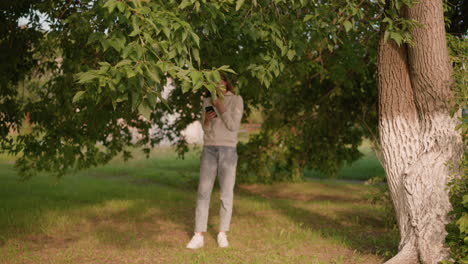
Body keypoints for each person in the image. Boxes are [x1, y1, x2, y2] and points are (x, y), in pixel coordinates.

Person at [186, 73, 244, 249]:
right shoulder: (207, 101)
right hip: (209, 149)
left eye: (218, 81)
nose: (215, 85)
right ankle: (198, 235)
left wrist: (221, 107)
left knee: (226, 193)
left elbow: (233, 126)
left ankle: (222, 234)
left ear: (225, 82)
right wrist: (207, 122)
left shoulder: (236, 100)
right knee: (203, 192)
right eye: (211, 83)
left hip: (228, 150)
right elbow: (207, 130)